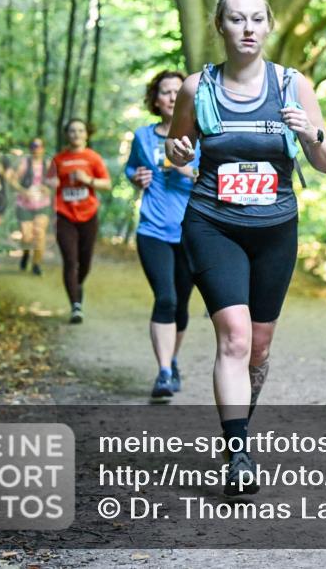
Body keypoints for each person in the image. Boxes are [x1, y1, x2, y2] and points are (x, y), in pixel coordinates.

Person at [166, 0, 326, 495]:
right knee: (235, 336)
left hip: (275, 229)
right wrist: (177, 151)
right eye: (236, 19)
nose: (247, 29)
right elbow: (179, 151)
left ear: (268, 27)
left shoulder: (292, 85)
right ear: (220, 26)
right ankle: (238, 449)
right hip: (212, 222)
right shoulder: (199, 88)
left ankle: (237, 424)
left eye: (256, 19)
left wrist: (310, 132)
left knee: (259, 347)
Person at [126, 70, 200, 402]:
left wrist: (189, 170)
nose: (172, 97)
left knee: (181, 305)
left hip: (191, 232)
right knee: (166, 298)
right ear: (156, 101)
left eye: (177, 91)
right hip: (153, 229)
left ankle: (172, 358)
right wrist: (136, 176)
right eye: (166, 92)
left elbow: (214, 179)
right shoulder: (143, 136)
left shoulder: (202, 136)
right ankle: (164, 373)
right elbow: (131, 167)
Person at [47, 119, 112, 324]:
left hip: (88, 215)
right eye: (72, 131)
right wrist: (51, 183)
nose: (76, 134)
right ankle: (75, 305)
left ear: (86, 134)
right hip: (64, 214)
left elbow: (107, 184)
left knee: (85, 262)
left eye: (80, 130)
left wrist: (88, 180)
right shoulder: (58, 159)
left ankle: (78, 284)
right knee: (70, 259)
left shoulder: (93, 158)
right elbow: (47, 183)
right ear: (67, 135)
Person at [9, 138, 51, 276]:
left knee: (39, 233)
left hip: (42, 204)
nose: (36, 148)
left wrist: (48, 188)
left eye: (39, 146)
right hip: (24, 204)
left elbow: (56, 181)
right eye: (33, 146)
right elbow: (12, 180)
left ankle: (36, 264)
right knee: (27, 237)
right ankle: (26, 253)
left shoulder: (48, 164)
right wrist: (23, 191)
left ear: (43, 148)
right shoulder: (24, 164)